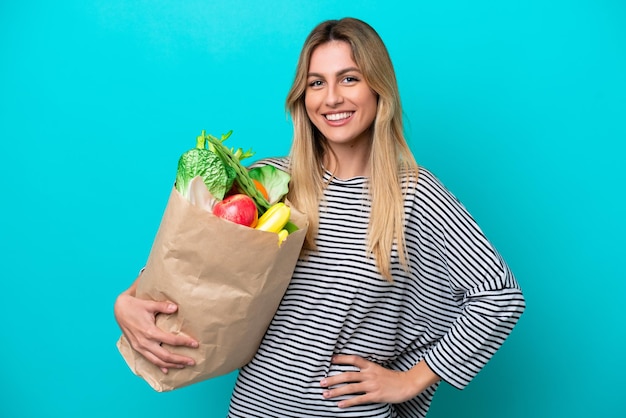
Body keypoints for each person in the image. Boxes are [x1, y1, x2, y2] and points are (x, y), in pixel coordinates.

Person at [114, 17, 526, 418]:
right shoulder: (272, 183)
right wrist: (127, 302)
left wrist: (411, 379)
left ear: (378, 89)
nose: (331, 98)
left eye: (349, 78)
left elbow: (500, 297)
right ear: (303, 96)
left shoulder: (413, 194)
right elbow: (198, 264)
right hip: (255, 408)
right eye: (317, 83)